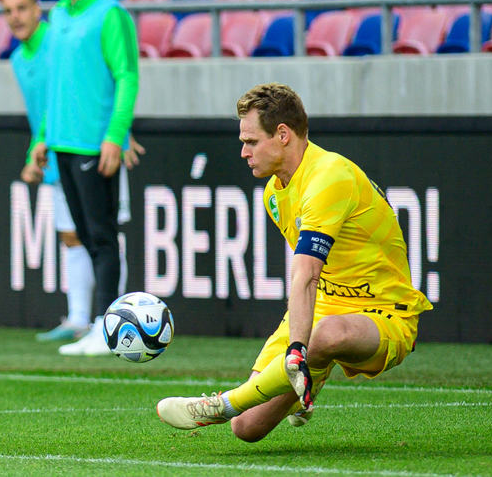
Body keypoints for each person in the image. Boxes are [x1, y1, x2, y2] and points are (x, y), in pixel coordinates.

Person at [156, 83, 433, 442]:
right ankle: (313, 370)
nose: (243, 152)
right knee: (247, 428)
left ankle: (221, 406)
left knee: (328, 335)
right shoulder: (274, 193)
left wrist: (298, 350)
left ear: (283, 135)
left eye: (251, 141)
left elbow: (307, 273)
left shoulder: (330, 175)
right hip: (323, 306)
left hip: (384, 313)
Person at [30, 0, 140, 357]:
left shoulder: (110, 13)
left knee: (102, 237)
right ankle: (99, 325)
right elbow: (56, 84)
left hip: (95, 145)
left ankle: (108, 328)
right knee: (87, 238)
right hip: (63, 144)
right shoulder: (58, 14)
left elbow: (127, 77)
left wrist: (115, 136)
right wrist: (43, 137)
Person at [1, 0, 95, 342]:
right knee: (71, 235)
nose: (16, 17)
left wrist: (118, 132)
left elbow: (67, 98)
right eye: (8, 11)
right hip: (55, 154)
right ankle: (79, 318)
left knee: (99, 235)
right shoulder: (17, 58)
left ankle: (110, 318)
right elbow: (42, 111)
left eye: (22, 8)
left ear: (37, 10)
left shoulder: (56, 43)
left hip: (82, 145)